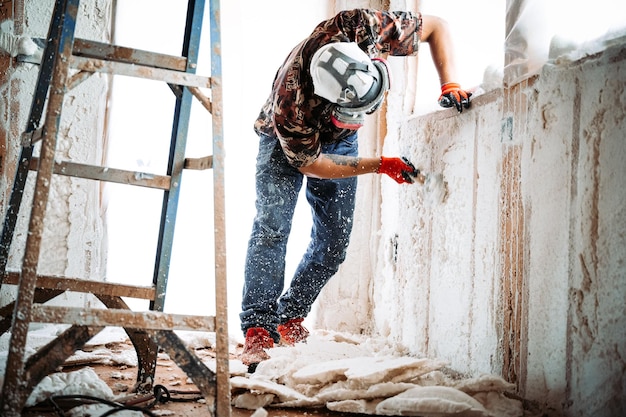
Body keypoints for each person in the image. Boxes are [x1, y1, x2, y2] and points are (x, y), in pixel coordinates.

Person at [240, 8, 471, 370]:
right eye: (352, 115)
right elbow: (313, 165)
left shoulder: (362, 27)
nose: (362, 124)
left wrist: (450, 84)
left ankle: (290, 317)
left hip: (337, 140)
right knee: (272, 229)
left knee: (334, 242)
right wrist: (379, 164)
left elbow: (437, 27)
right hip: (285, 143)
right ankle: (259, 329)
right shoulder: (293, 103)